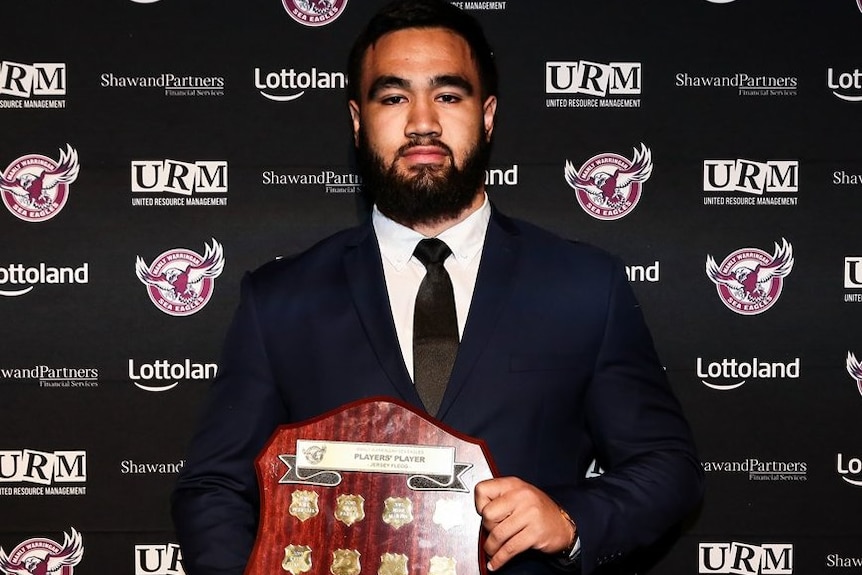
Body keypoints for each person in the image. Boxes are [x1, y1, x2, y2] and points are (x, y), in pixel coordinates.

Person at [171, 1, 704, 574]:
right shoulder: (280, 299)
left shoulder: (583, 286)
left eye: (448, 95)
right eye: (394, 97)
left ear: (488, 115)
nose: (422, 121)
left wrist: (572, 520)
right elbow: (215, 488)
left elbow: (666, 467)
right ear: (357, 120)